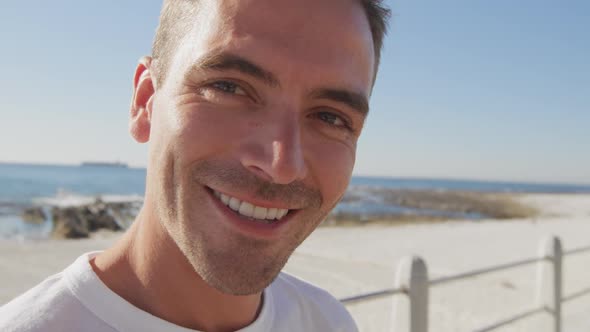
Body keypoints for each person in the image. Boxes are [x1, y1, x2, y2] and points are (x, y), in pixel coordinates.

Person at [0, 0, 390, 331]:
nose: (281, 164)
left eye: (331, 118)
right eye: (228, 87)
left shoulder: (328, 322)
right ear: (145, 100)